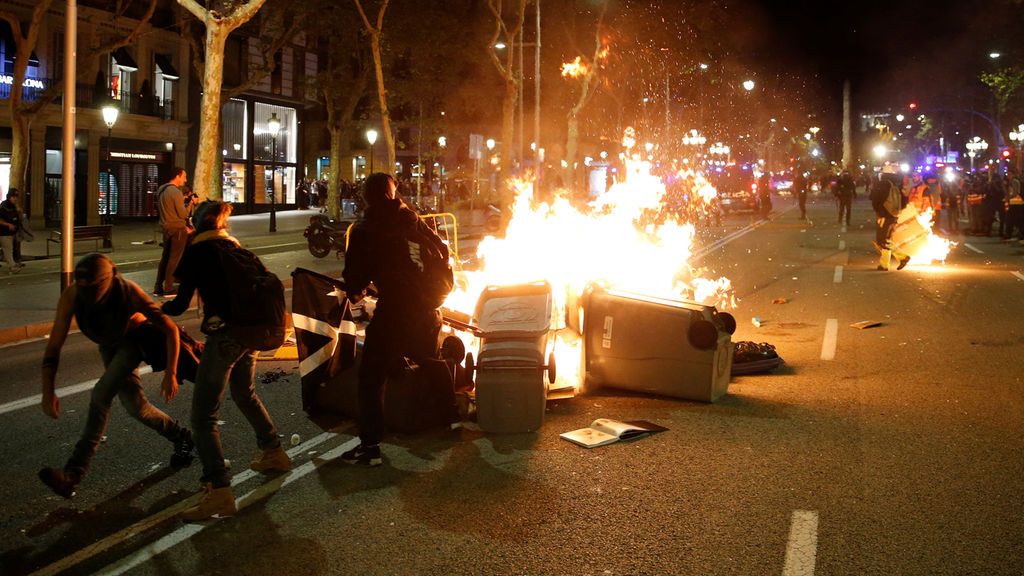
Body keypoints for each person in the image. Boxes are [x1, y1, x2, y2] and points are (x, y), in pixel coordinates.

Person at [162, 200, 291, 521]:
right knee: (243, 392)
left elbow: (178, 306)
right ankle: (274, 451)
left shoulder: (197, 252)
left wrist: (152, 311)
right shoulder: (239, 250)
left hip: (228, 336)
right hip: (255, 332)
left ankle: (218, 490)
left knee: (203, 416)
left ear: (195, 224)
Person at [38, 253, 193, 498]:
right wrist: (48, 390)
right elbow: (54, 346)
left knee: (100, 396)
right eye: (84, 288)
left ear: (110, 279)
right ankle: (181, 436)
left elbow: (170, 329)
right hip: (107, 345)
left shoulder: (129, 292)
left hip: (132, 342)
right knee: (136, 407)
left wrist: (171, 373)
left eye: (95, 288)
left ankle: (73, 473)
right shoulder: (73, 295)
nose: (90, 295)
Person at [341, 173, 452, 467]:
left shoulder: (366, 229)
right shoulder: (413, 220)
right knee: (429, 358)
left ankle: (370, 447)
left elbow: (355, 280)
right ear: (394, 194)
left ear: (366, 198)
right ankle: (450, 419)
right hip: (428, 310)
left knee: (370, 377)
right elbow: (442, 251)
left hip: (395, 312)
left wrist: (356, 290)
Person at [154, 168, 192, 296]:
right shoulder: (175, 191)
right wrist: (190, 203)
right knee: (174, 258)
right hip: (177, 229)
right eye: (184, 176)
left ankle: (158, 286)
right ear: (178, 176)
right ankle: (169, 288)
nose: (185, 180)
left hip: (166, 227)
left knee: (165, 257)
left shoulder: (161, 190)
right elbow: (182, 214)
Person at [870, 165, 910, 271]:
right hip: (894, 215)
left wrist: (880, 214)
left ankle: (903, 257)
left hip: (885, 215)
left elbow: (876, 200)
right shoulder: (898, 184)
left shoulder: (883, 184)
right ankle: (884, 264)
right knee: (887, 239)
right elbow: (905, 201)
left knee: (882, 240)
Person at [0, 188, 24, 274]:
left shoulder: (13, 206)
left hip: (11, 233)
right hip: (4, 232)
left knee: (9, 249)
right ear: (9, 197)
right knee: (8, 249)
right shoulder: (4, 206)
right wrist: (8, 225)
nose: (15, 199)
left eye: (16, 197)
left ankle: (14, 264)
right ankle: (12, 266)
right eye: (13, 197)